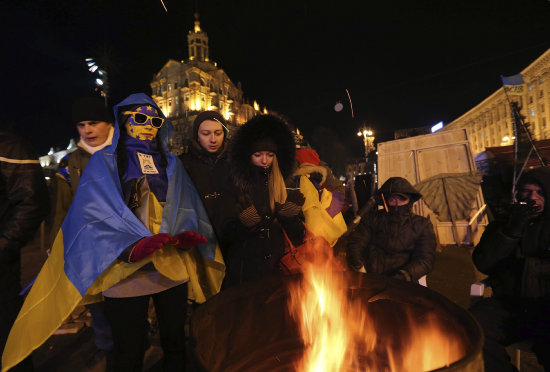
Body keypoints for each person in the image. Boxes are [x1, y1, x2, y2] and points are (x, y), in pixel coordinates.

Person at [2, 94, 225, 372]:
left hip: (171, 268)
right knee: (127, 349)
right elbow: (93, 214)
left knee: (175, 342)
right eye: (140, 118)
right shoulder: (103, 163)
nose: (147, 125)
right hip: (122, 272)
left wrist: (185, 233)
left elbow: (184, 207)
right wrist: (129, 246)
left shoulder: (171, 164)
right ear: (124, 120)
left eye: (155, 120)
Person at [50, 97, 115, 358]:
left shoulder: (124, 156)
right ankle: (106, 347)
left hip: (124, 245)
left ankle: (133, 343)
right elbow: (61, 209)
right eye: (81, 124)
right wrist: (56, 245)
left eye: (93, 123)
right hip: (87, 247)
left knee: (125, 303)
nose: (87, 130)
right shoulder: (69, 163)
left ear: (109, 124)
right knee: (96, 303)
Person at [470, 167, 550, 371]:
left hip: (545, 305)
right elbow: (483, 262)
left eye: (540, 192)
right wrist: (511, 231)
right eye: (527, 191)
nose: (533, 197)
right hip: (510, 306)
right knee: (473, 327)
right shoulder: (504, 224)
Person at [225, 114, 305, 287]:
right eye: (258, 154)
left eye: (269, 155)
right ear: (248, 156)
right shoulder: (236, 185)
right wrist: (246, 227)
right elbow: (225, 234)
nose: (264, 160)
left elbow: (299, 237)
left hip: (279, 269)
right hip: (245, 271)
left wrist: (291, 220)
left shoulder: (284, 185)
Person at [0, 128, 49, 371]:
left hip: (1, 270)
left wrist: (4, 245)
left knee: (8, 347)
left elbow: (33, 202)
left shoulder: (11, 147)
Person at [346, 177, 436, 281]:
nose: (397, 203)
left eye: (402, 199)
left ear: (409, 200)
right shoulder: (371, 219)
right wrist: (358, 264)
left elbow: (425, 259)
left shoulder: (422, 225)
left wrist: (405, 275)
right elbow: (357, 242)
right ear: (386, 201)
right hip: (371, 277)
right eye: (393, 199)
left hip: (404, 283)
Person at [180, 111, 237, 256]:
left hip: (236, 241)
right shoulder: (183, 164)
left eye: (218, 133)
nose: (213, 139)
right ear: (197, 136)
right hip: (201, 244)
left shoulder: (236, 163)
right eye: (206, 133)